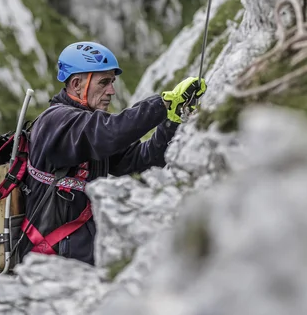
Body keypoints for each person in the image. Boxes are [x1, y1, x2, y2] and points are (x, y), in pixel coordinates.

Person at [16, 41, 207, 265]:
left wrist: (171, 122)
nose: (112, 91)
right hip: (51, 257)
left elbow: (143, 160)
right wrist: (163, 103)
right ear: (77, 84)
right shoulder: (56, 121)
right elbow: (110, 131)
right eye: (104, 82)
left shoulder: (85, 129)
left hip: (75, 252)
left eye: (112, 82)